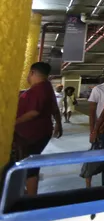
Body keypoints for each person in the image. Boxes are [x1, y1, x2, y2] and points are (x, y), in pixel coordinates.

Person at [12, 62, 63, 195]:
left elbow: (34, 112)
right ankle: (26, 193)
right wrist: (59, 124)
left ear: (32, 72)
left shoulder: (38, 89)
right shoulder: (45, 87)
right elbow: (54, 108)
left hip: (32, 134)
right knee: (29, 164)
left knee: (30, 167)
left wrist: (13, 123)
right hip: (39, 132)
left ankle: (30, 197)